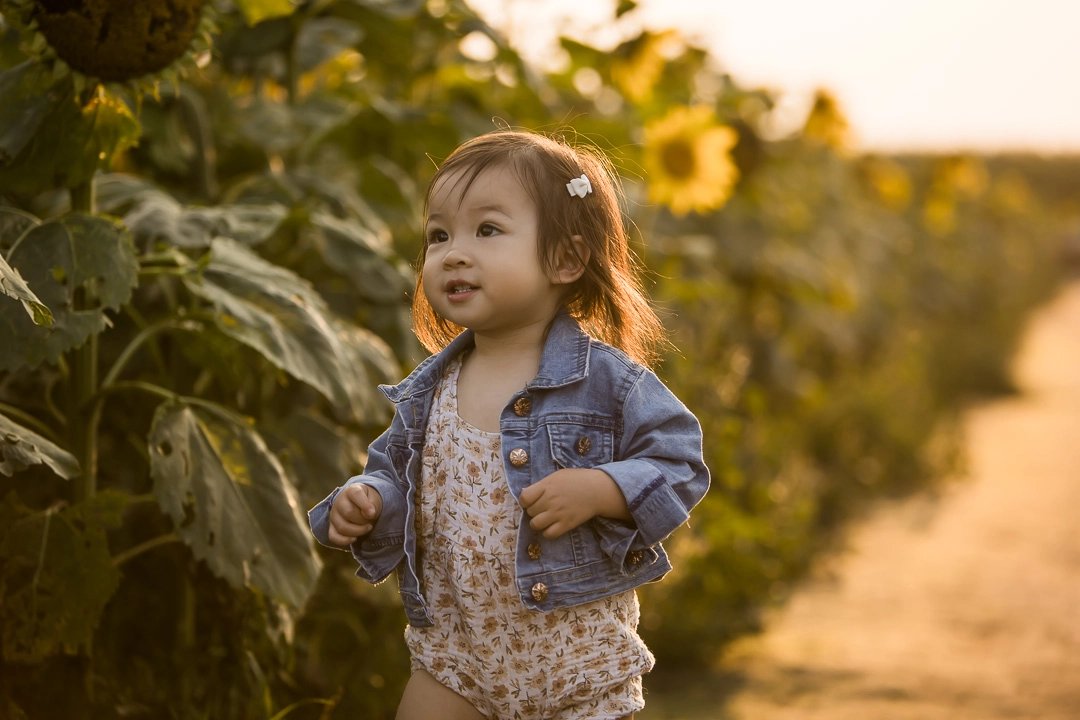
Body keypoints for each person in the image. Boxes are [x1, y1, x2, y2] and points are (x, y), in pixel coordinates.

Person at [308, 130, 709, 720]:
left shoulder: (606, 381)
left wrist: (604, 489)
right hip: (455, 657)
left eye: (487, 230)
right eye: (439, 235)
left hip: (574, 662)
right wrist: (367, 498)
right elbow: (399, 478)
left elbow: (680, 463)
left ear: (565, 259)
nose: (453, 252)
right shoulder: (428, 390)